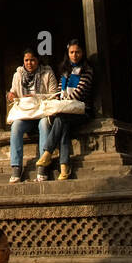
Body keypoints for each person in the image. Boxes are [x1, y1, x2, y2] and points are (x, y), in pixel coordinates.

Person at [37, 39, 94, 181]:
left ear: (82, 53)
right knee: (63, 125)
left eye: (77, 52)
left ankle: (47, 152)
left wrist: (61, 103)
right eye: (72, 52)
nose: (74, 55)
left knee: (61, 119)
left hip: (82, 111)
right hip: (65, 111)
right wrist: (58, 101)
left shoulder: (87, 71)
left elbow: (78, 93)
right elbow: (59, 90)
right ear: (68, 54)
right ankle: (64, 166)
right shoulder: (65, 71)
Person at [6, 47, 58, 183]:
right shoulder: (18, 74)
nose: (29, 63)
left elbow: (54, 95)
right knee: (16, 127)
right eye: (27, 60)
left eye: (32, 60)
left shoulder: (47, 72)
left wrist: (36, 96)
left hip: (42, 112)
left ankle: (42, 165)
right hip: (25, 114)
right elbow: (13, 92)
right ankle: (16, 167)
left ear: (38, 60)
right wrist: (10, 96)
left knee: (45, 125)